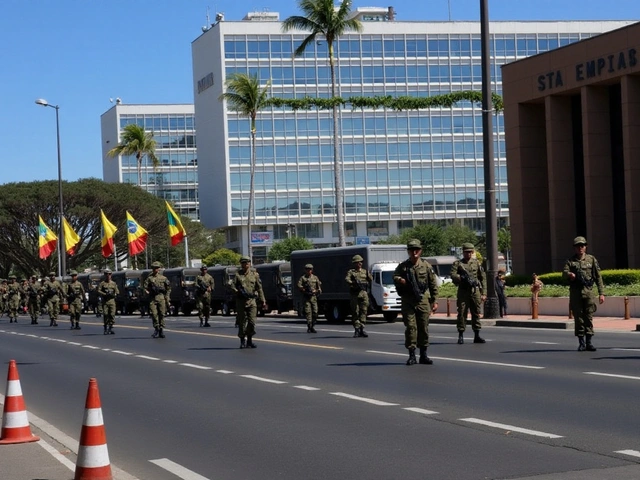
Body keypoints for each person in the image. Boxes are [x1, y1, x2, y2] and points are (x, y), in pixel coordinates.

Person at [393, 239, 439, 365]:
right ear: (408, 251)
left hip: (423, 300)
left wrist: (434, 301)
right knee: (411, 327)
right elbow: (395, 276)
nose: (414, 252)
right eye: (412, 250)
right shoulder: (403, 266)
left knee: (423, 327)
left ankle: (423, 355)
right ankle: (412, 354)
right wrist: (400, 280)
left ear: (420, 251)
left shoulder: (426, 266)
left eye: (416, 250)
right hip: (408, 300)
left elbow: (433, 284)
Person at [562, 236, 605, 352]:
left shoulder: (591, 260)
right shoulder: (570, 261)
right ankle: (581, 343)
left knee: (589, 317)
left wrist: (602, 293)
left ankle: (589, 342)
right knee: (579, 319)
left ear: (585, 247)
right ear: (574, 248)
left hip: (589, 293)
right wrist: (569, 275)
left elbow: (598, 277)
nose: (580, 248)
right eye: (577, 246)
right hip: (576, 294)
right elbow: (564, 274)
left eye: (582, 246)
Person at [451, 243, 487, 345]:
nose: (469, 254)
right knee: (462, 313)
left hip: (474, 291)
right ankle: (461, 335)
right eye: (467, 252)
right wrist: (461, 277)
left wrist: (483, 293)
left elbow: (482, 278)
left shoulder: (477, 263)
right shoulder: (458, 264)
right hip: (463, 291)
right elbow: (453, 275)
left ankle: (477, 335)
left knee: (476, 312)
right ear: (463, 252)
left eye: (470, 252)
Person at [232, 256, 266, 348]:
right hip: (241, 301)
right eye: (243, 262)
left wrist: (263, 301)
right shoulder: (238, 275)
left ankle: (249, 340)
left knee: (252, 322)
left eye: (247, 262)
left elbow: (259, 288)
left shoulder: (255, 275)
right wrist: (237, 292)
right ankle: (242, 340)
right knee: (242, 322)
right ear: (241, 264)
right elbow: (232, 286)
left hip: (252, 301)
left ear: (250, 263)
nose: (245, 264)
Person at [345, 254, 373, 338]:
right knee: (355, 312)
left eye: (360, 262)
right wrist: (353, 283)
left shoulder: (365, 272)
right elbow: (347, 279)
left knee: (364, 311)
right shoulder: (351, 272)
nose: (359, 264)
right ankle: (356, 329)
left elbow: (371, 279)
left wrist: (366, 282)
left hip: (363, 293)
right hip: (355, 294)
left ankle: (362, 328)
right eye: (357, 262)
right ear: (355, 263)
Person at [144, 261, 171, 338]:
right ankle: (156, 328)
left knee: (162, 314)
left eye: (157, 268)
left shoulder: (164, 278)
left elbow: (168, 289)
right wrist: (147, 292)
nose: (156, 269)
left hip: (161, 297)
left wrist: (167, 298)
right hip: (152, 298)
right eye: (155, 268)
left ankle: (161, 330)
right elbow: (145, 287)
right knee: (154, 314)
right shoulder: (149, 278)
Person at [297, 263, 322, 333]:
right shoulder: (303, 278)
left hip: (313, 297)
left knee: (315, 312)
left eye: (310, 269)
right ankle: (309, 326)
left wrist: (316, 291)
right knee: (308, 312)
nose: (309, 271)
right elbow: (299, 285)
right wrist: (304, 289)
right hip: (306, 297)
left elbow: (319, 288)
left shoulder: (315, 278)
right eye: (307, 269)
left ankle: (313, 325)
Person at [98, 269, 119, 335]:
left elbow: (117, 291)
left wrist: (114, 294)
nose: (108, 275)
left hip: (112, 301)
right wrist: (105, 294)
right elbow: (98, 290)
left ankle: (110, 328)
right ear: (105, 275)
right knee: (106, 314)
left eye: (109, 274)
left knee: (112, 314)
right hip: (105, 301)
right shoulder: (102, 283)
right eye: (107, 274)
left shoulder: (113, 283)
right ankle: (105, 328)